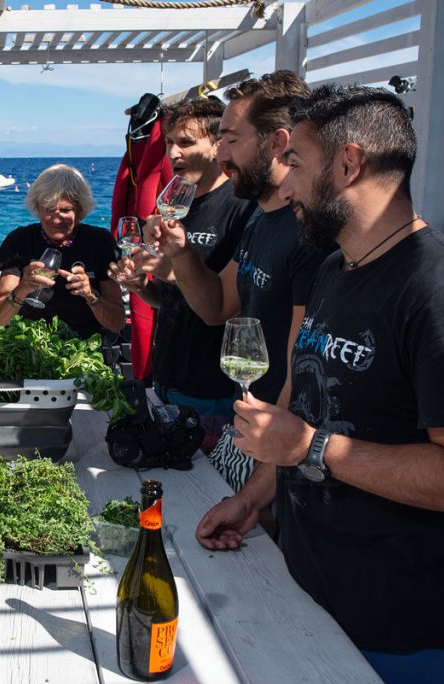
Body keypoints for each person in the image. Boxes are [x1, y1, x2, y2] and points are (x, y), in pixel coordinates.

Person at [198, 84, 444, 684]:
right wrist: (254, 497)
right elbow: (305, 403)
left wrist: (313, 448)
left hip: (408, 638)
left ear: (349, 163)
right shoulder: (339, 268)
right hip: (311, 593)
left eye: (297, 166)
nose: (285, 188)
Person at [136, 71, 326, 492]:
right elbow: (215, 307)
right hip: (251, 430)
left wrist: (259, 490)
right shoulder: (262, 221)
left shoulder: (306, 234)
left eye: (231, 139)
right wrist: (180, 251)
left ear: (276, 143)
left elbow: (299, 380)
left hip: (280, 452)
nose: (220, 152)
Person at [113, 99, 256, 451]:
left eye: (187, 143)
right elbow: (170, 301)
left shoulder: (242, 208)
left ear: (218, 144)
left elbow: (234, 305)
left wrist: (172, 269)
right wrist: (143, 288)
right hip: (167, 378)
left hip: (215, 389)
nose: (174, 153)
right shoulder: (178, 205)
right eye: (169, 143)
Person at [0, 163, 125, 338]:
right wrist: (23, 288)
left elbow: (117, 323)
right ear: (37, 209)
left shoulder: (99, 241)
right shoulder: (20, 240)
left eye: (65, 210)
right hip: (28, 348)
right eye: (49, 210)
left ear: (80, 209)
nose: (56, 219)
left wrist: (90, 295)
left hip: (82, 352)